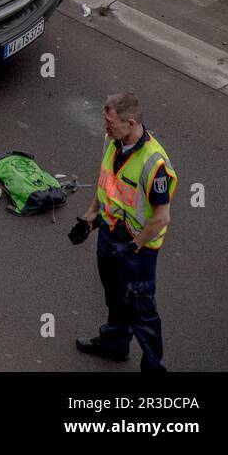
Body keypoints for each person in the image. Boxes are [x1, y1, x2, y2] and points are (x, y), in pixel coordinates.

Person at [70, 92, 175, 372]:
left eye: (109, 123)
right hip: (110, 233)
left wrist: (133, 247)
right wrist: (90, 217)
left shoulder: (154, 165)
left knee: (142, 311)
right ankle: (114, 345)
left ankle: (153, 368)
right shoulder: (113, 141)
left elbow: (161, 219)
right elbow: (106, 182)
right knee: (115, 296)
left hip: (137, 247)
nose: (105, 127)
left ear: (130, 123)